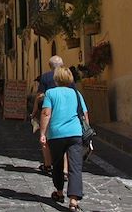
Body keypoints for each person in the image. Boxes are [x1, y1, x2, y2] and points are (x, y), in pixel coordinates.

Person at [39, 66, 88, 211]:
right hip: (75, 134)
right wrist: (86, 134)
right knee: (75, 167)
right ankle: (73, 200)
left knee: (58, 164)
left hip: (56, 135)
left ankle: (59, 192)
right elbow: (84, 114)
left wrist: (42, 133)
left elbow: (46, 113)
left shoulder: (50, 93)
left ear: (56, 79)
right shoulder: (76, 93)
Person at [30, 56, 73, 173]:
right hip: (65, 111)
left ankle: (48, 164)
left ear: (50, 66)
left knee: (45, 139)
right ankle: (64, 169)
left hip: (49, 111)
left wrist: (34, 112)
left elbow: (39, 96)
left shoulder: (45, 77)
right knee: (63, 140)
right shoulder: (68, 76)